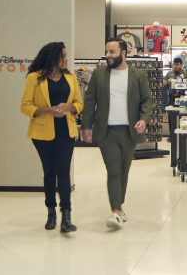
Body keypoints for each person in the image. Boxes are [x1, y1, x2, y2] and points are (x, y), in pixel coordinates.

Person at [81, 38, 151, 230]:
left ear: (124, 53)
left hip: (129, 132)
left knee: (124, 171)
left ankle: (119, 207)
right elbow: (89, 101)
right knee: (113, 171)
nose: (108, 55)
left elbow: (146, 100)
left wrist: (144, 119)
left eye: (112, 52)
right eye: (107, 52)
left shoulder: (138, 75)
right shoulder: (98, 74)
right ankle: (114, 211)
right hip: (107, 131)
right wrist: (86, 126)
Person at [20, 42, 83, 234]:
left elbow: (79, 103)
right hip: (42, 133)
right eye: (62, 56)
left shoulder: (71, 78)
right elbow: (25, 106)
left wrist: (69, 107)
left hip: (67, 130)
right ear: (52, 58)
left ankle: (66, 216)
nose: (66, 59)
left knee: (63, 171)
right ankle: (51, 213)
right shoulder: (35, 78)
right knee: (49, 172)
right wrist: (48, 111)